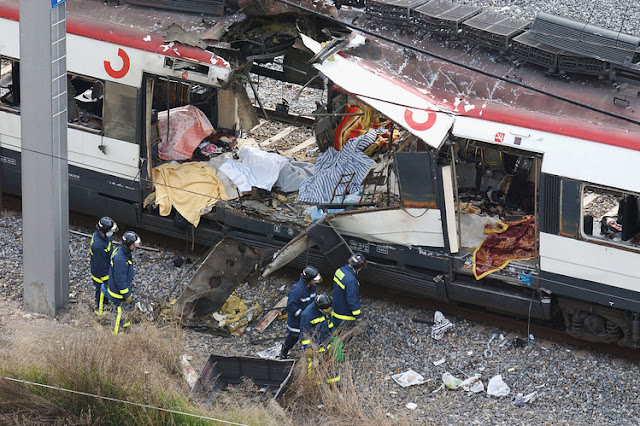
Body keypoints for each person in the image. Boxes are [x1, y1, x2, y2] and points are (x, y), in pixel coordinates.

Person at [279, 266, 322, 359]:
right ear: (308, 280)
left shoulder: (313, 287)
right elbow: (291, 306)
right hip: (296, 321)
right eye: (314, 280)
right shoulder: (297, 290)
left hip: (307, 319)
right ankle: (284, 351)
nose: (315, 282)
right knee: (293, 337)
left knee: (309, 335)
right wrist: (303, 315)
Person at [103, 231, 140, 335]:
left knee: (126, 311)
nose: (135, 247)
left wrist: (129, 283)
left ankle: (125, 329)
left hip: (119, 290)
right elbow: (120, 280)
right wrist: (126, 295)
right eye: (134, 245)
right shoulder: (120, 259)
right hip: (119, 294)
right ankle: (116, 335)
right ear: (128, 244)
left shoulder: (122, 252)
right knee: (119, 313)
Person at [300, 294, 339, 384]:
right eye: (327, 309)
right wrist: (308, 348)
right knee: (315, 367)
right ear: (319, 308)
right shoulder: (307, 315)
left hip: (327, 342)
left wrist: (332, 330)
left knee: (331, 364)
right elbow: (304, 334)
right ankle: (315, 385)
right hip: (315, 347)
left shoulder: (325, 310)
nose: (329, 310)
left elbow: (328, 321)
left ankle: (333, 384)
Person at [90, 217, 118, 316]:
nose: (111, 232)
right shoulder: (99, 246)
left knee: (104, 292)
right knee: (101, 293)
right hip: (100, 276)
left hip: (103, 271)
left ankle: (106, 305)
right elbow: (100, 266)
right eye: (110, 230)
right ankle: (100, 313)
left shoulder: (100, 236)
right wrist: (106, 280)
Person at [331, 253, 365, 328]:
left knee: (335, 331)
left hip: (335, 312)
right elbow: (352, 300)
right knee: (344, 334)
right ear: (359, 268)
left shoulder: (339, 271)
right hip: (345, 318)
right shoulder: (351, 281)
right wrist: (358, 316)